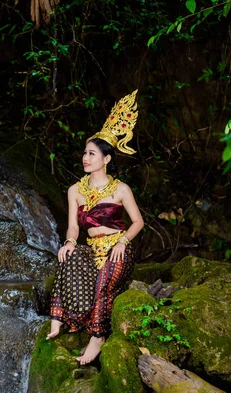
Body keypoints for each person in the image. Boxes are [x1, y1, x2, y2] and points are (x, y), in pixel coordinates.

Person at [45, 90, 144, 366]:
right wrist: (70, 243)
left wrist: (123, 241)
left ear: (107, 159)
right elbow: (74, 228)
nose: (85, 158)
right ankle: (58, 318)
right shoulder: (75, 190)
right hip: (91, 251)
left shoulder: (121, 189)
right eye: (84, 153)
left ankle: (97, 338)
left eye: (91, 154)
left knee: (104, 283)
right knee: (68, 254)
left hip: (117, 250)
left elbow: (138, 222)